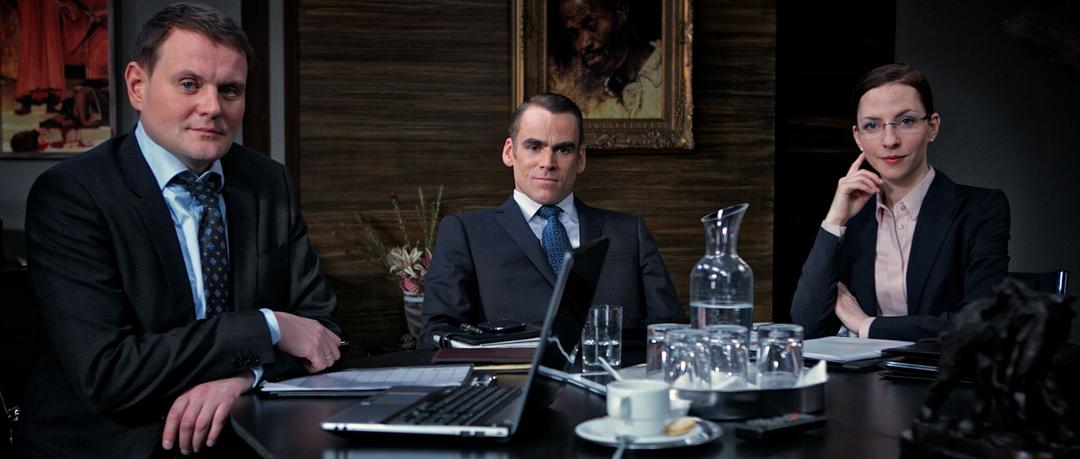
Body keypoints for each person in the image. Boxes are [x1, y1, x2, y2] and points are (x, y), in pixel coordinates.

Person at [18, 4, 344, 457]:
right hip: (116, 443)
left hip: (241, 433)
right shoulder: (72, 195)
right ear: (137, 85)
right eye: (189, 84)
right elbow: (108, 373)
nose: (212, 107)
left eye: (229, 90)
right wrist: (266, 325)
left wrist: (245, 376)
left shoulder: (267, 182)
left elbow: (323, 330)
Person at [418, 93, 685, 348]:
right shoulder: (466, 232)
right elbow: (436, 334)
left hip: (614, 378)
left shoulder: (629, 231)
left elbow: (672, 331)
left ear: (580, 159)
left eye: (563, 149)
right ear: (509, 152)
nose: (548, 162)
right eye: (534, 147)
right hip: (512, 378)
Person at [790, 64, 1010, 342]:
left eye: (905, 121)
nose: (890, 140)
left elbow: (980, 325)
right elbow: (808, 328)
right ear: (858, 137)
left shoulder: (981, 209)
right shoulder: (853, 216)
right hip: (861, 370)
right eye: (872, 125)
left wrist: (866, 325)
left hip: (940, 369)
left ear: (932, 126)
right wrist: (834, 221)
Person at [547, 0, 661, 118]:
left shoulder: (668, 74)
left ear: (621, 11)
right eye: (574, 34)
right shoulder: (594, 102)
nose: (583, 44)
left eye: (592, 25)